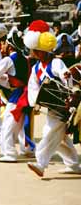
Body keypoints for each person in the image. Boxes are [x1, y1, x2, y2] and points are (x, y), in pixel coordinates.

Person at [24, 20, 81, 177]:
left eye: (35, 50)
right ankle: (74, 164)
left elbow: (65, 78)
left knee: (49, 133)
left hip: (64, 106)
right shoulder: (36, 68)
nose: (33, 53)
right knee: (60, 138)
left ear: (42, 50)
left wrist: (66, 77)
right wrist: (34, 102)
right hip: (52, 106)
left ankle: (41, 164)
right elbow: (33, 87)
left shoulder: (56, 62)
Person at [0, 28, 34, 162]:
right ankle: (28, 149)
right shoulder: (24, 59)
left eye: (3, 44)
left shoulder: (8, 60)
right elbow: (15, 79)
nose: (1, 46)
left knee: (8, 126)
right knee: (20, 125)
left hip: (16, 97)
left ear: (9, 46)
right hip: (25, 95)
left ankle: (9, 153)